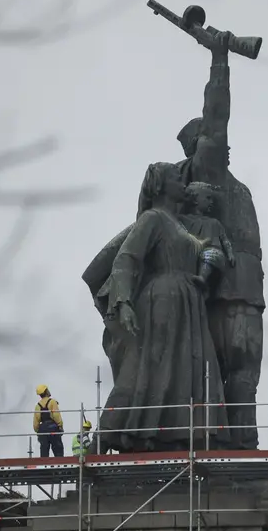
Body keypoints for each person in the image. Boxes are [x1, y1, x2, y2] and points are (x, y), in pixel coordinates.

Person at [96, 162, 230, 452]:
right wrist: (123, 302)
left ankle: (176, 435)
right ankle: (106, 434)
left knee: (191, 369)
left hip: (188, 303)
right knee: (146, 366)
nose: (182, 181)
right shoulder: (153, 219)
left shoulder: (180, 224)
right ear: (160, 186)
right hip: (162, 300)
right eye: (175, 177)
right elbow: (126, 259)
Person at [174, 30, 264, 450]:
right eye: (207, 143)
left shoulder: (237, 189)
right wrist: (220, 61)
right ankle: (218, 447)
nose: (222, 148)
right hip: (217, 296)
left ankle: (243, 452)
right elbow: (216, 119)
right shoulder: (205, 175)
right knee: (211, 380)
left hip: (247, 297)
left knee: (245, 378)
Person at [180, 181, 235, 292]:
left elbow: (225, 240)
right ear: (195, 199)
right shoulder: (183, 220)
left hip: (212, 253)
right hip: (191, 254)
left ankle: (202, 277)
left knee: (211, 254)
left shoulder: (215, 223)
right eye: (208, 198)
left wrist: (230, 253)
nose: (211, 202)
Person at [32, 384, 64, 457]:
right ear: (46, 391)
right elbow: (56, 415)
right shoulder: (52, 402)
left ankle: (44, 465)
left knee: (44, 451)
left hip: (42, 429)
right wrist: (60, 426)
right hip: (53, 428)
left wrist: (38, 430)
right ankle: (60, 465)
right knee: (58, 450)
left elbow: (36, 422)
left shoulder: (37, 406)